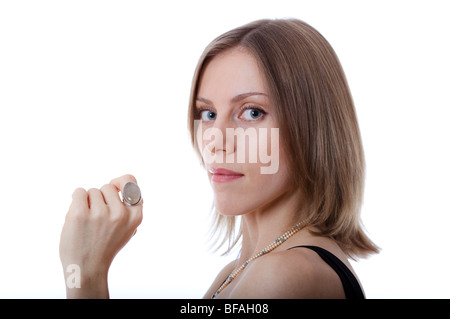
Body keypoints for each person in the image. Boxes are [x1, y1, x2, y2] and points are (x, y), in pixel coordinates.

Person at [59, 18, 379, 299]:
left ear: (313, 126)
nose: (216, 140)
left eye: (252, 112)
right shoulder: (237, 271)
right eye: (208, 113)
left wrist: (84, 275)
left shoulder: (284, 275)